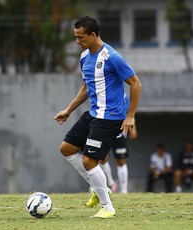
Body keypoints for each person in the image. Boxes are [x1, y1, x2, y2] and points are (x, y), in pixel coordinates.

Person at [54, 16, 141, 218]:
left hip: (110, 118)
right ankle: (98, 188)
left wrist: (130, 116)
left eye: (80, 37)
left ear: (93, 35)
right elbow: (86, 88)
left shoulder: (112, 57)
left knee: (89, 161)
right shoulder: (85, 57)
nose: (77, 42)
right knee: (66, 149)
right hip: (93, 114)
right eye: (75, 37)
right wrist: (68, 110)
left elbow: (136, 84)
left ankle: (108, 207)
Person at [100, 119, 138, 194]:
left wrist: (133, 128)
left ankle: (124, 191)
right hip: (105, 132)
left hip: (119, 134)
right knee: (102, 158)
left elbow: (130, 111)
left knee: (121, 161)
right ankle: (111, 183)